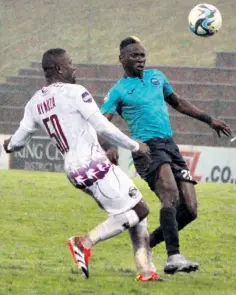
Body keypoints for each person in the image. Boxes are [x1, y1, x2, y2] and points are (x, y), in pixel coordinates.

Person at [3, 48, 162, 282]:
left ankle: (146, 271)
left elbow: (19, 140)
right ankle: (83, 242)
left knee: (133, 208)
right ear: (58, 68)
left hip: (74, 171)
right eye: (69, 63)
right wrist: (135, 146)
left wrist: (8, 145)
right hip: (94, 164)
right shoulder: (75, 92)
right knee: (140, 210)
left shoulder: (34, 102)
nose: (73, 67)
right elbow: (102, 126)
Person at [101, 37, 232, 274]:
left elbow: (178, 103)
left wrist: (209, 120)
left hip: (170, 145)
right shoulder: (118, 90)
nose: (140, 59)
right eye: (134, 55)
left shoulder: (157, 77)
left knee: (190, 209)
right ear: (121, 59)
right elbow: (102, 124)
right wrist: (107, 147)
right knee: (169, 194)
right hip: (147, 149)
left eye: (142, 55)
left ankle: (147, 243)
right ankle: (174, 257)